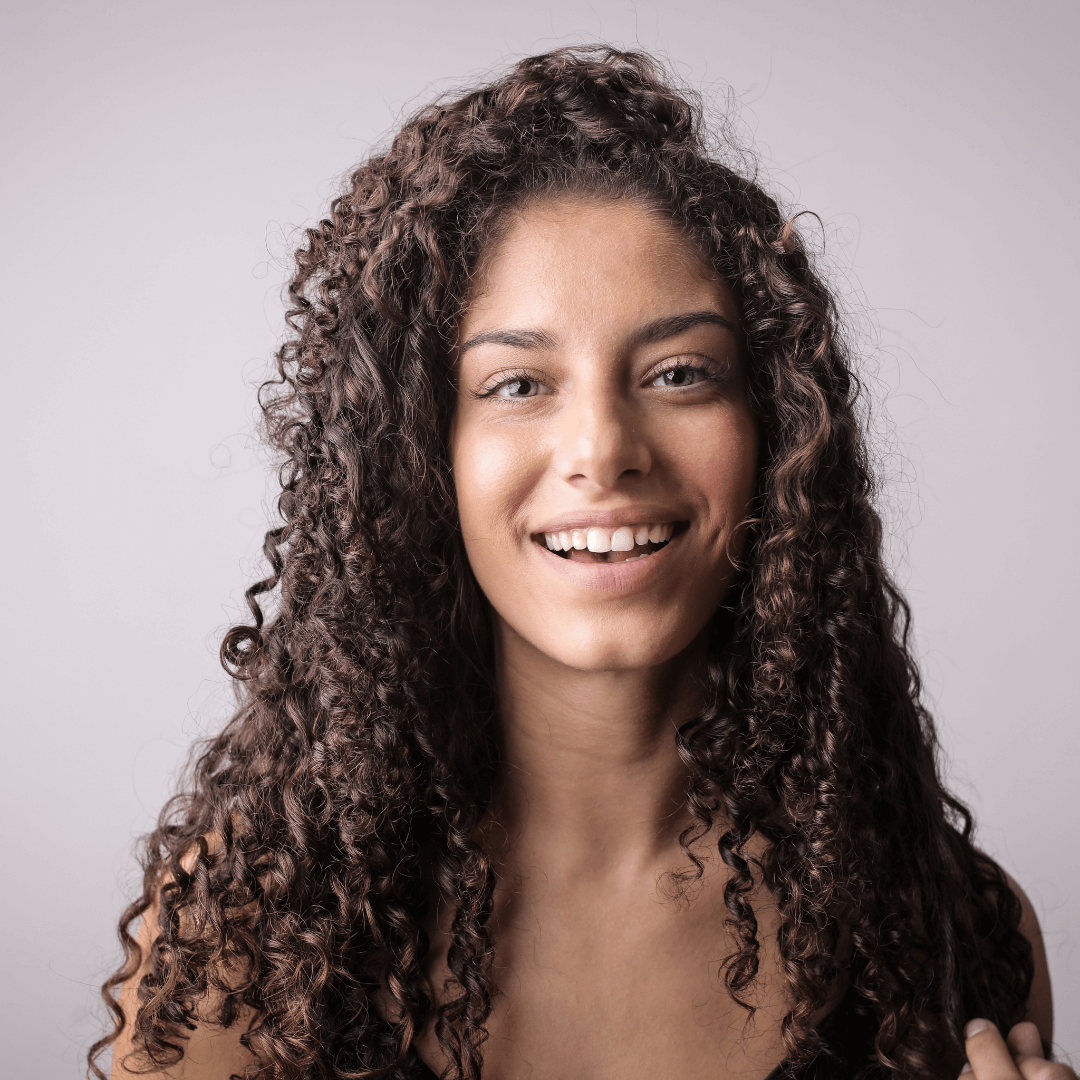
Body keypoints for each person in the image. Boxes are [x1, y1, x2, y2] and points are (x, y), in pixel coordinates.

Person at [92, 46, 1070, 1080]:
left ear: (776, 434)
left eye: (681, 374)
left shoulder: (948, 928)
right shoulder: (250, 936)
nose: (604, 449)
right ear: (423, 456)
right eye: (518, 385)